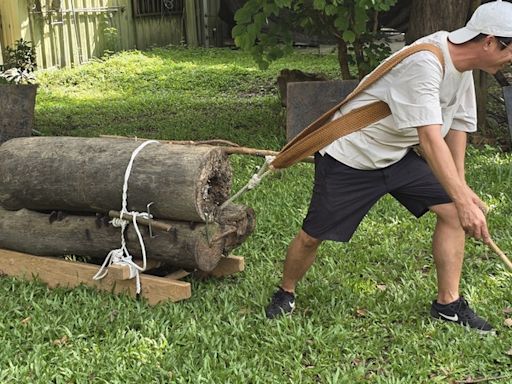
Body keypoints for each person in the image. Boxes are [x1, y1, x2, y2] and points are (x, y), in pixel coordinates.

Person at [265, 0, 512, 334]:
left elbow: (457, 129)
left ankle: (447, 305)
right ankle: (286, 291)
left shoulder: (464, 69)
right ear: (490, 42)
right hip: (351, 156)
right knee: (313, 236)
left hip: (396, 157)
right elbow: (429, 140)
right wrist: (465, 201)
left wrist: (462, 192)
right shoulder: (425, 63)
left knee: (453, 210)